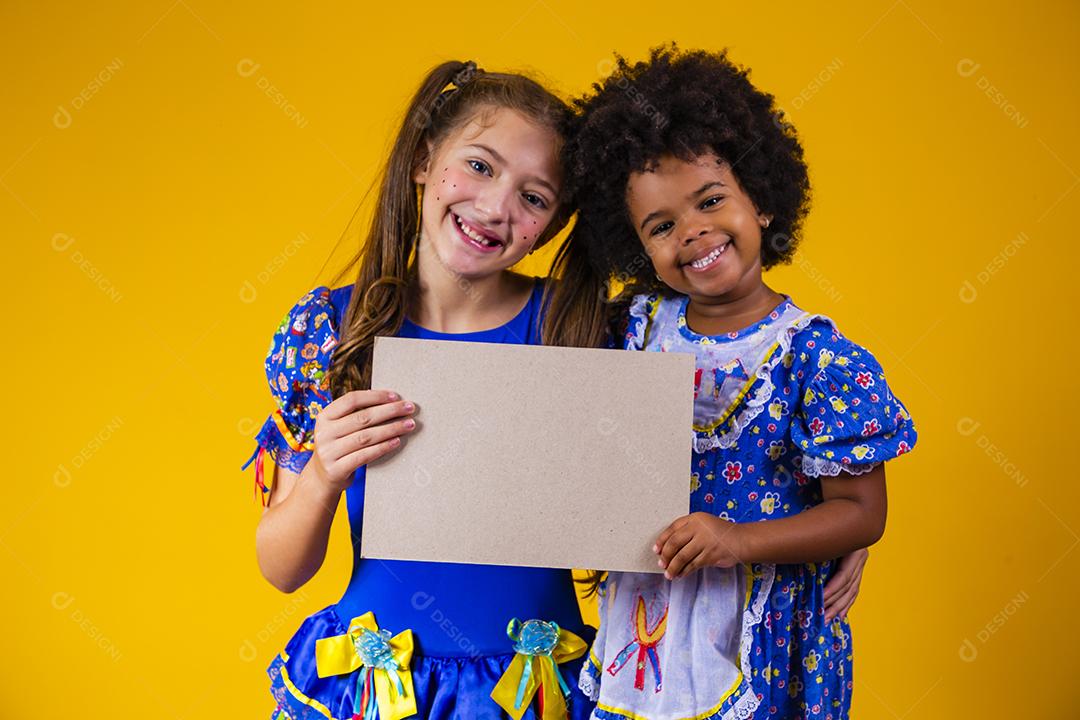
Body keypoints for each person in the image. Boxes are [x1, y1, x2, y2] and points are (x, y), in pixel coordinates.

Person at [565, 45, 918, 719]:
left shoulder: (818, 359)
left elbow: (861, 513)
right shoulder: (628, 330)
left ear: (761, 201)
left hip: (765, 632)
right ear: (638, 248)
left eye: (711, 201)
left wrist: (740, 539)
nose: (693, 233)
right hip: (646, 623)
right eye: (661, 226)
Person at [241, 59, 598, 720]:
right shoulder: (331, 331)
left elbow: (686, 500)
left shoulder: (580, 333)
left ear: (550, 227)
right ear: (424, 161)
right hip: (378, 690)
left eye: (535, 196)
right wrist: (323, 470)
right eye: (482, 166)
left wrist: (838, 523)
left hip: (531, 696)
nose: (496, 208)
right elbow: (282, 569)